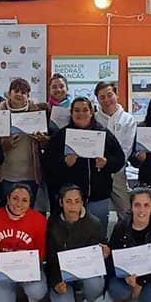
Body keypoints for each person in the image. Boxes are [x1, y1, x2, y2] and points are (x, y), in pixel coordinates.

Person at [43, 97, 126, 234]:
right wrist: (64, 163)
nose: (81, 113)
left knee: (97, 236)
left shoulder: (104, 134)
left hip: (97, 198)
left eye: (85, 110)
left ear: (91, 112)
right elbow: (47, 163)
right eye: (77, 110)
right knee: (69, 237)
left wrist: (107, 163)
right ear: (71, 113)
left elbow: (119, 159)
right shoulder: (60, 136)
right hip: (70, 201)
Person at [45, 185, 109, 302]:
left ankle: (88, 301)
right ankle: (68, 292)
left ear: (82, 203)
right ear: (61, 202)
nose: (73, 206)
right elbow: (51, 258)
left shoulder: (94, 223)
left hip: (86, 273)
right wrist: (56, 282)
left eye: (77, 201)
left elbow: (101, 250)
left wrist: (105, 254)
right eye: (68, 201)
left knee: (95, 284)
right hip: (62, 275)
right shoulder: (52, 224)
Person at [0, 183, 49, 302]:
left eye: (24, 200)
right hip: (2, 271)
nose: (19, 204)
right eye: (15, 198)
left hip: (28, 269)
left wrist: (30, 268)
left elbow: (42, 250)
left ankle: (31, 297)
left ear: (30, 203)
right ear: (8, 198)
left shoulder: (39, 219)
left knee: (37, 291)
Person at [0, 78, 49, 204]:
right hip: (7, 175)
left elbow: (47, 144)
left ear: (28, 96)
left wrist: (42, 140)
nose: (19, 94)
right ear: (9, 93)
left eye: (23, 92)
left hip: (31, 175)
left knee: (28, 211)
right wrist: (5, 145)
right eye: (16, 91)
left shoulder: (37, 113)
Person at [96, 81, 138, 217]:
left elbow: (126, 148)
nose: (107, 100)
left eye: (110, 95)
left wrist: (111, 163)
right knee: (98, 212)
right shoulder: (94, 119)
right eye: (102, 97)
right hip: (97, 173)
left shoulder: (128, 119)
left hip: (118, 172)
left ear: (116, 95)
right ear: (97, 100)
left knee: (126, 211)